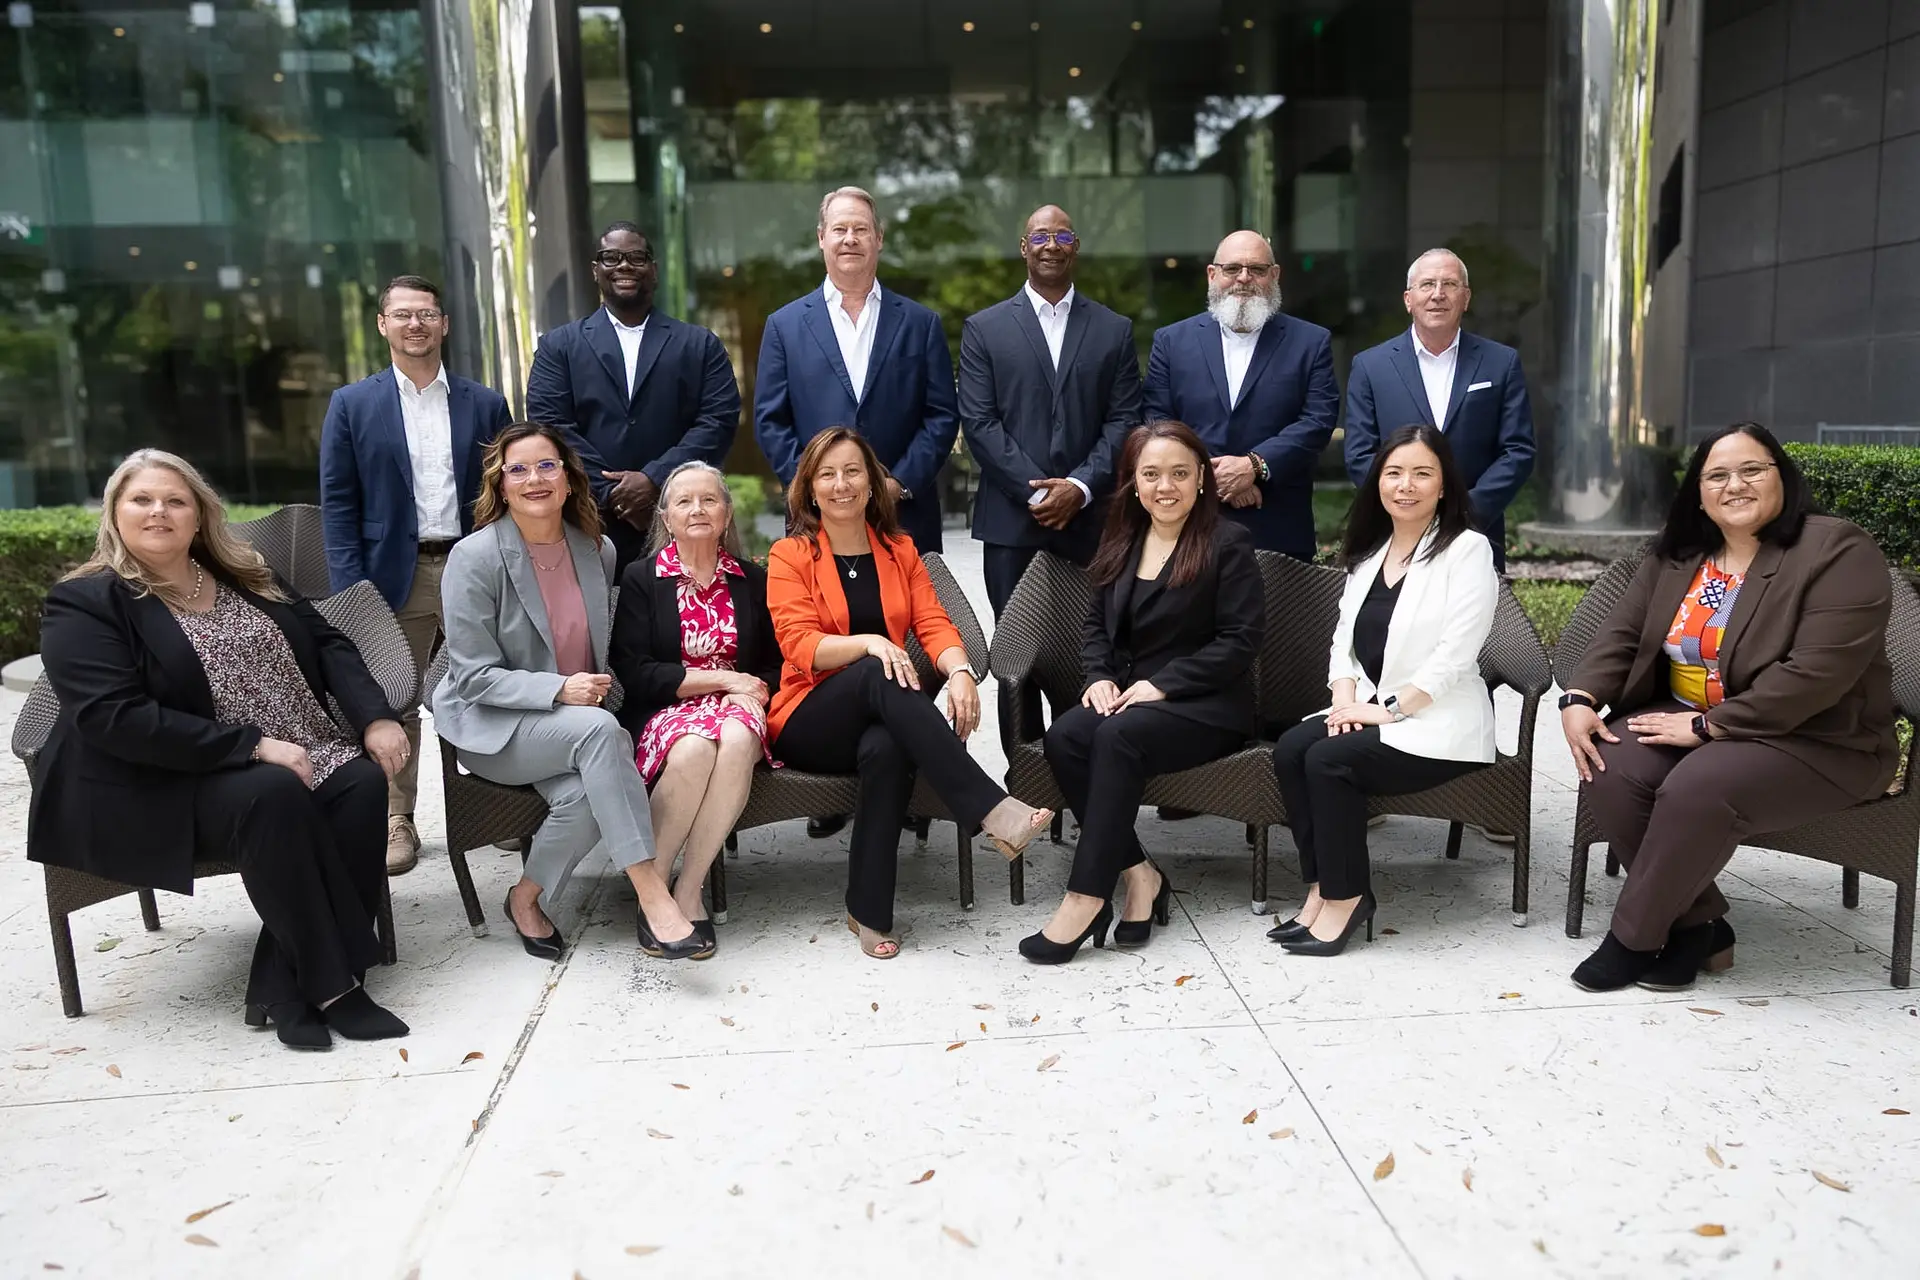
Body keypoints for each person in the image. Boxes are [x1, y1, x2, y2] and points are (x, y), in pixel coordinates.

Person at [32, 449, 412, 1050]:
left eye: (175, 501)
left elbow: (328, 642)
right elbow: (114, 719)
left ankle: (281, 983)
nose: (159, 511)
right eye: (142, 500)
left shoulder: (243, 572)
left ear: (200, 515)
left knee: (361, 782)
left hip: (289, 752)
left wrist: (375, 717)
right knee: (272, 793)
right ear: (115, 512)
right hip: (154, 780)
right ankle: (337, 987)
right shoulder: (85, 601)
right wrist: (254, 747)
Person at [1561, 422, 1897, 992]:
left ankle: (1632, 939)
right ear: (1699, 493)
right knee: (1608, 764)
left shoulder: (1837, 550)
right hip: (1690, 715)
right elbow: (1622, 633)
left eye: (1752, 470)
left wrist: (1709, 725)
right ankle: (1698, 926)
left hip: (1815, 737)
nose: (1734, 485)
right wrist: (1580, 697)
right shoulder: (1680, 553)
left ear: (1782, 477)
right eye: (1716, 475)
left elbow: (1817, 673)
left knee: (1698, 788)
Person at [766, 427, 1053, 959]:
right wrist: (871, 643)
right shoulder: (791, 554)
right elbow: (798, 643)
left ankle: (868, 910)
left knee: (887, 746)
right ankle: (991, 808)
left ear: (872, 484)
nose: (841, 484)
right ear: (810, 490)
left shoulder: (900, 551)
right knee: (877, 669)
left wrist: (961, 671)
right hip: (809, 720)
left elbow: (934, 624)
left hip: (879, 718)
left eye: (852, 471)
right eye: (827, 474)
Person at [433, 424, 704, 961]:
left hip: (571, 727)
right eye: (518, 469)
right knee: (602, 733)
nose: (534, 479)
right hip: (494, 725)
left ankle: (525, 898)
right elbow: (472, 677)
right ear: (501, 485)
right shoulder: (474, 557)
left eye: (546, 466)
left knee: (586, 796)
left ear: (568, 478)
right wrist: (560, 689)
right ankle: (652, 891)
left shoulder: (596, 550)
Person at [1026, 422, 1264, 964]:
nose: (1165, 486)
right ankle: (1139, 874)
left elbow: (1241, 640)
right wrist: (1098, 676)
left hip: (1206, 703)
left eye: (1179, 473)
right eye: (1151, 474)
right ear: (1133, 482)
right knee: (1066, 737)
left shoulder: (1228, 542)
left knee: (1117, 737)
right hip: (1130, 696)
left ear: (1201, 478)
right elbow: (1095, 623)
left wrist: (1163, 685)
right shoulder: (1122, 537)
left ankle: (1085, 897)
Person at [1267, 425, 1499, 956]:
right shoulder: (1371, 555)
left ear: (1444, 484)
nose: (1406, 485)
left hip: (1440, 722)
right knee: (1292, 748)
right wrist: (1345, 701)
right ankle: (1321, 886)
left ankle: (1348, 897)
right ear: (1378, 482)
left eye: (1422, 473)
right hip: (1374, 708)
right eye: (1394, 473)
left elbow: (1457, 653)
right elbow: (1342, 643)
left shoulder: (1467, 550)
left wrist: (1390, 710)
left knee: (1329, 760)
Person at [319, 273, 512, 875]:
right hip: (389, 575)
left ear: (444, 324)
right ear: (383, 325)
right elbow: (338, 502)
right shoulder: (352, 404)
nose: (415, 324)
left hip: (472, 566)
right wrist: (352, 592)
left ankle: (503, 806)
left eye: (426, 313)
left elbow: (506, 492)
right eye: (402, 314)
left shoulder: (485, 403)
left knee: (491, 686)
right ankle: (396, 818)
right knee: (392, 696)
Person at [958, 204, 1143, 739]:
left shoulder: (1112, 330)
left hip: (1093, 521)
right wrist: (1038, 492)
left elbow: (1125, 420)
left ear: (1075, 247)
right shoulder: (984, 329)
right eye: (1040, 236)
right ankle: (1023, 780)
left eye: (1062, 236)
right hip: (1012, 524)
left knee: (1093, 654)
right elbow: (979, 422)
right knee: (1017, 661)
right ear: (1024, 248)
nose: (1051, 245)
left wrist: (1080, 487)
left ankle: (1081, 768)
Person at [609, 462, 780, 958]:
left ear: (726, 513)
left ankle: (688, 889)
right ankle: (655, 889)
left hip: (738, 707)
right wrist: (724, 679)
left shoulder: (753, 579)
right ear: (666, 517)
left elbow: (775, 662)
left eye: (709, 499)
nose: (697, 509)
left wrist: (751, 690)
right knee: (693, 750)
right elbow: (635, 670)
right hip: (667, 706)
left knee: (738, 738)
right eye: (684, 501)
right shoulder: (642, 578)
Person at [525, 221, 741, 573]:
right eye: (611, 258)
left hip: (679, 523)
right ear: (595, 271)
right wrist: (612, 493)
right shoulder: (558, 347)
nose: (624, 265)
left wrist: (655, 479)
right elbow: (550, 426)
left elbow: (718, 421)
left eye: (636, 258)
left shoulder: (700, 345)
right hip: (588, 523)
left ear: (653, 270)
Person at [754, 186, 959, 555]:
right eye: (839, 229)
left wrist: (898, 483)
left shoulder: (921, 323)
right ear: (821, 238)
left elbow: (941, 416)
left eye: (861, 229)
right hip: (816, 522)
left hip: (904, 519)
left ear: (878, 239)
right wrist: (815, 486)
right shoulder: (783, 326)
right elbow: (771, 421)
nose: (850, 238)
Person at [1143, 230, 1338, 561]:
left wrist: (1254, 466)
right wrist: (1212, 477)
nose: (1244, 278)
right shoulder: (1171, 341)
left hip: (1277, 525)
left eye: (1257, 269)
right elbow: (1157, 421)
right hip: (1189, 523)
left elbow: (1318, 421)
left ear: (1274, 275)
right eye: (1232, 268)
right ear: (1212, 274)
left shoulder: (1311, 342)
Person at [1343, 249, 1535, 569]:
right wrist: (1409, 509)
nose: (1438, 294)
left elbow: (1518, 450)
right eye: (1427, 284)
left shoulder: (1501, 363)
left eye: (1449, 284)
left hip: (1476, 533)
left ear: (1466, 298)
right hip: (1395, 535)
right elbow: (1359, 454)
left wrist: (1465, 513)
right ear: (1408, 299)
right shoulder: (1370, 366)